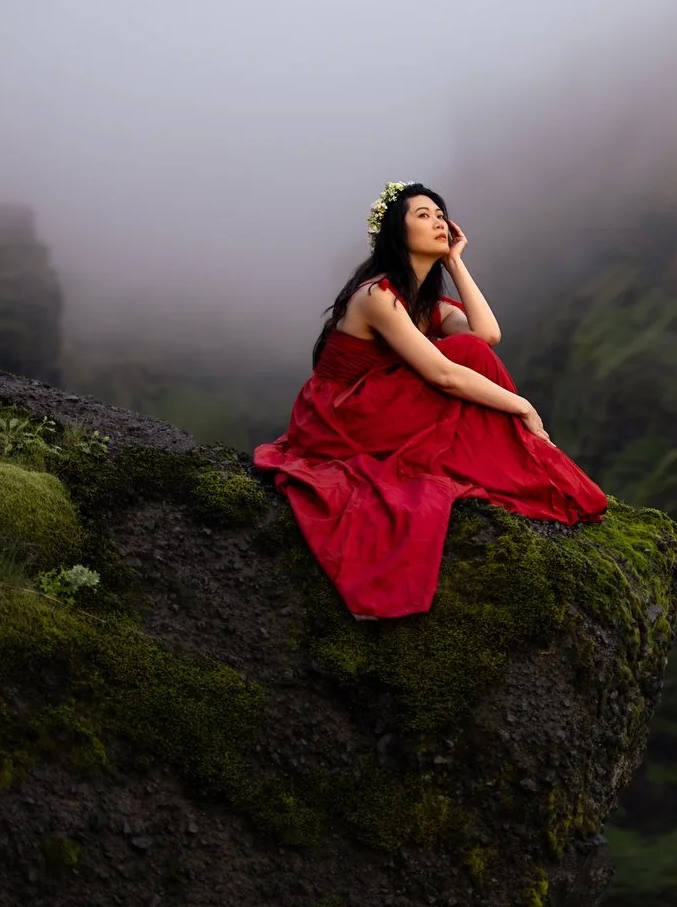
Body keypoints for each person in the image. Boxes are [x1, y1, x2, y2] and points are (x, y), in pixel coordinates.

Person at [255, 181, 606, 618]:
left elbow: (487, 336)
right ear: (395, 233)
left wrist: (456, 262)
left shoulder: (427, 304)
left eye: (441, 214)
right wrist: (524, 407)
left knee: (470, 350)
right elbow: (443, 373)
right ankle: (527, 461)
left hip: (380, 401)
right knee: (459, 360)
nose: (438, 222)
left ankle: (522, 462)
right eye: (423, 215)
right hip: (342, 413)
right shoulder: (376, 295)